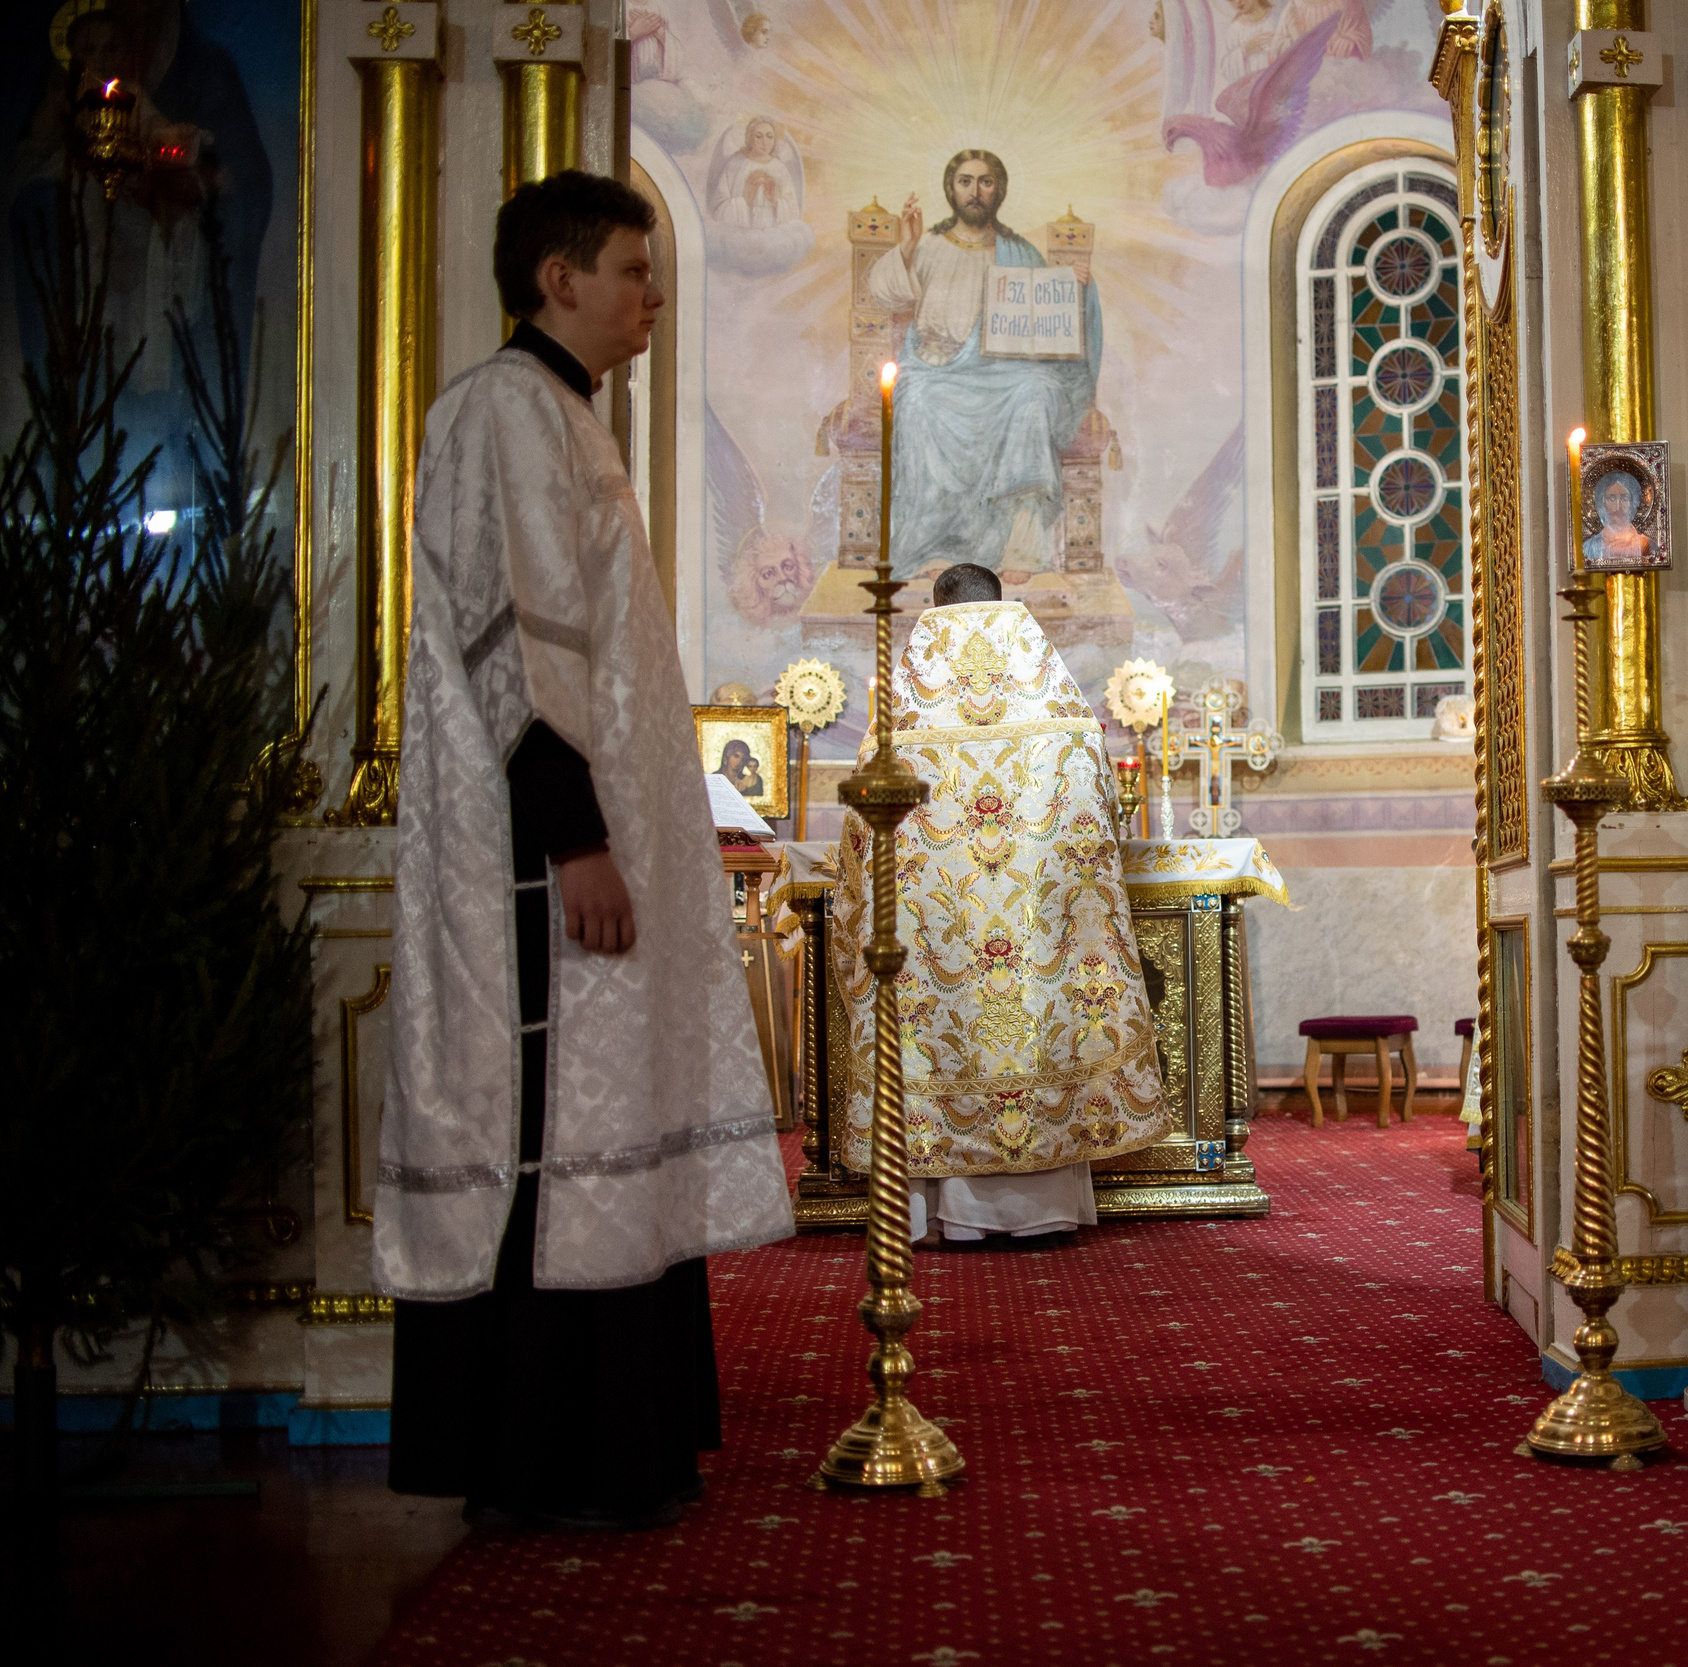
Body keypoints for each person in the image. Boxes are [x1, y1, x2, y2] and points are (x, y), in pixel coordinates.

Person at [380, 170, 795, 1530]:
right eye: (631, 268)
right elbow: (513, 639)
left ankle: (616, 1448)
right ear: (557, 277)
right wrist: (573, 840)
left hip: (579, 842)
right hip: (536, 859)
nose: (652, 296)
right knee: (547, 1127)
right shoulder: (502, 407)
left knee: (602, 1119)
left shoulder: (562, 416)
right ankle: (541, 1460)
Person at [834, 562, 1171, 1245]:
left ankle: (944, 1214)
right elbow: (1102, 815)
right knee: (1039, 1023)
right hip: (1034, 944)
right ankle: (1043, 1207)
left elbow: (858, 844)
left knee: (937, 1030)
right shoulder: (1065, 724)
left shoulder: (898, 732)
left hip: (940, 948)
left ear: (935, 613)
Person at [866, 150, 1102, 576]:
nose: (976, 191)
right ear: (951, 190)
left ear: (1000, 190)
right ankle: (934, 547)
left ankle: (1019, 548)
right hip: (938, 370)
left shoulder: (1019, 252)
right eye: (965, 181)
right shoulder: (930, 247)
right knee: (917, 401)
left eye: (986, 181)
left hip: (1003, 376)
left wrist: (1076, 286)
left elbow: (1050, 320)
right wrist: (906, 245)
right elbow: (885, 292)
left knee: (1036, 392)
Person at [1582, 470, 1651, 565]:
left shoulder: (1646, 545)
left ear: (1633, 503)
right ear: (1602, 503)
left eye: (1624, 498)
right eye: (1611, 498)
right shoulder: (1588, 548)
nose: (1618, 507)